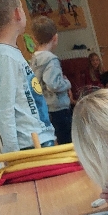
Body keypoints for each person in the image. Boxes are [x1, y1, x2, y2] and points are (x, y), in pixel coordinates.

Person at [0, 0, 55, 152]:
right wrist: (13, 155)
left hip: (40, 138)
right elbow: (4, 111)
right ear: (18, 13)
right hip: (30, 144)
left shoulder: (10, 53)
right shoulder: (3, 57)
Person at [29, 16, 73, 145]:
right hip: (58, 108)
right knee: (67, 141)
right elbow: (53, 84)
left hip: (44, 107)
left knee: (55, 138)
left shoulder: (34, 59)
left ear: (34, 39)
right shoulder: (51, 60)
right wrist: (67, 83)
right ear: (55, 38)